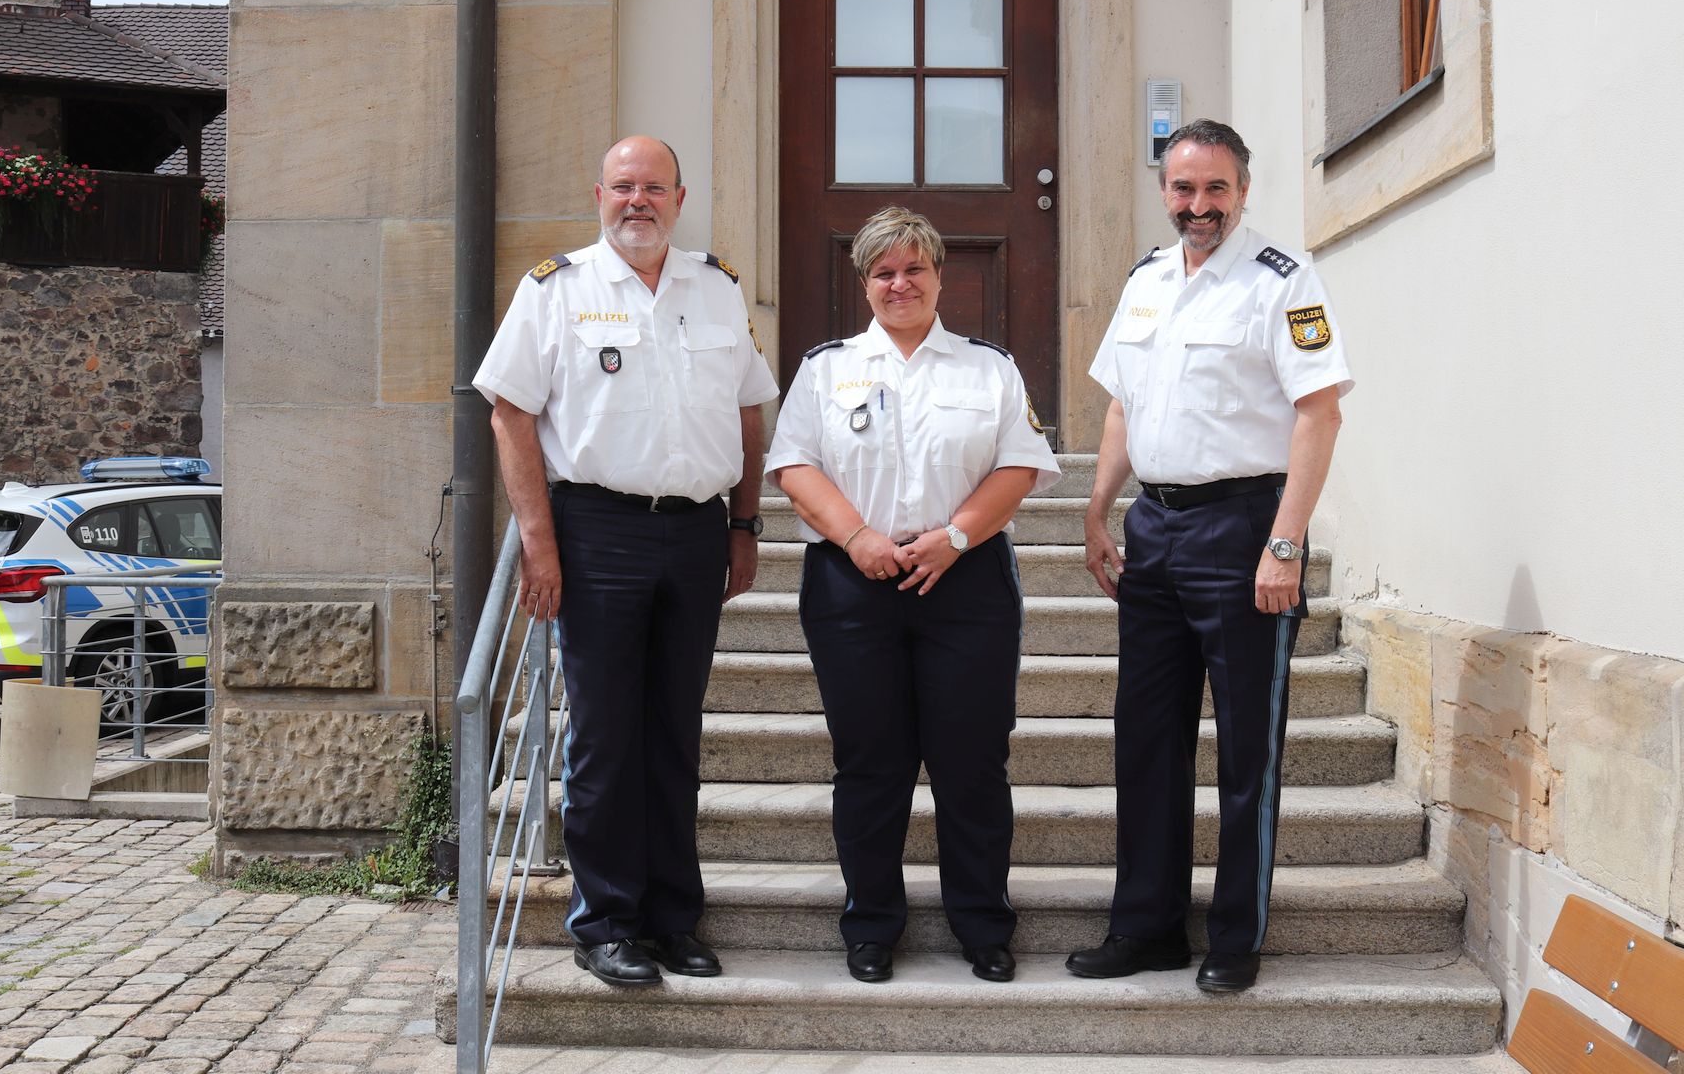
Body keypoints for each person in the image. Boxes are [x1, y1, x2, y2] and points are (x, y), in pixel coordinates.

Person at [472, 135, 778, 988]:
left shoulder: (714, 287)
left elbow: (749, 414)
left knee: (673, 735)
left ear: (680, 198)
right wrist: (539, 542)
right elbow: (510, 416)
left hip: (695, 534)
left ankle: (675, 917)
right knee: (606, 738)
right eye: (622, 187)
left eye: (653, 188)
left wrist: (745, 524)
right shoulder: (556, 291)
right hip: (596, 533)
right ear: (597, 193)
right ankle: (606, 921)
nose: (636, 202)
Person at [1065, 119, 1353, 993]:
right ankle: (1147, 927)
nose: (1199, 206)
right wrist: (1098, 508)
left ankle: (1235, 938)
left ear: (1242, 191)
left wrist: (1285, 543)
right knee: (1145, 741)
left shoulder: (1282, 282)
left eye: (1216, 190)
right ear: (1164, 190)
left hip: (1242, 532)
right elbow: (1123, 408)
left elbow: (1320, 414)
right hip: (1154, 531)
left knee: (1245, 752)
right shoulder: (1146, 281)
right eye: (1184, 189)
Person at [765, 206, 1060, 985]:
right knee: (870, 765)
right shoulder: (825, 369)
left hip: (965, 585)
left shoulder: (988, 368)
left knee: (971, 764)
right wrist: (858, 537)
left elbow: (1019, 465)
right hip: (853, 586)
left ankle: (983, 926)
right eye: (884, 271)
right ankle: (871, 926)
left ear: (939, 276)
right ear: (864, 283)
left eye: (914, 268)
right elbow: (794, 466)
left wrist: (956, 537)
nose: (900, 283)